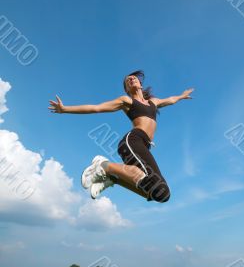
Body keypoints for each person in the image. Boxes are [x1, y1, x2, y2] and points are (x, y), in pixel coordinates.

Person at [48, 70, 193, 202]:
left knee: (161, 194)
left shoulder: (153, 102)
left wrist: (181, 96)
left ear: (140, 84)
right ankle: (103, 166)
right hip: (133, 141)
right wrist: (65, 109)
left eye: (133, 78)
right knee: (154, 184)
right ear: (127, 89)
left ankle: (114, 178)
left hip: (145, 146)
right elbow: (96, 107)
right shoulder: (127, 101)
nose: (131, 79)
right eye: (127, 81)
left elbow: (170, 99)